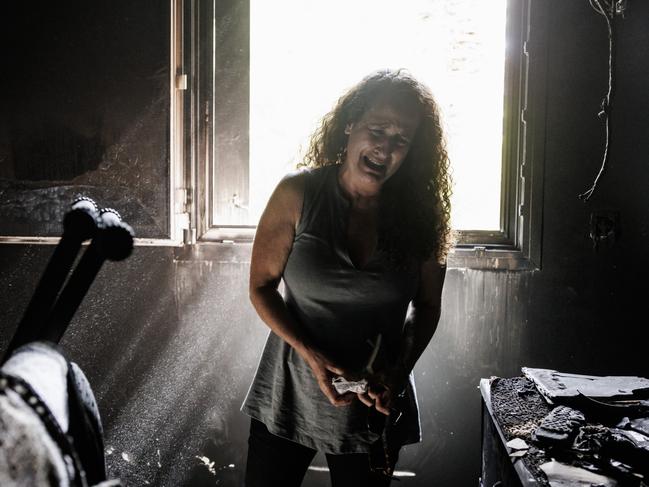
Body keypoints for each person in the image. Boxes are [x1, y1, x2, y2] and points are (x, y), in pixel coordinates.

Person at [242, 69, 452, 487]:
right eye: (377, 129)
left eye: (401, 139)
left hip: (375, 401)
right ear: (350, 124)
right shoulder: (297, 193)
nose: (385, 147)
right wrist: (311, 354)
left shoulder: (423, 218)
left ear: (414, 151)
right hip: (290, 391)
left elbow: (427, 306)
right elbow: (261, 287)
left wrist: (397, 370)